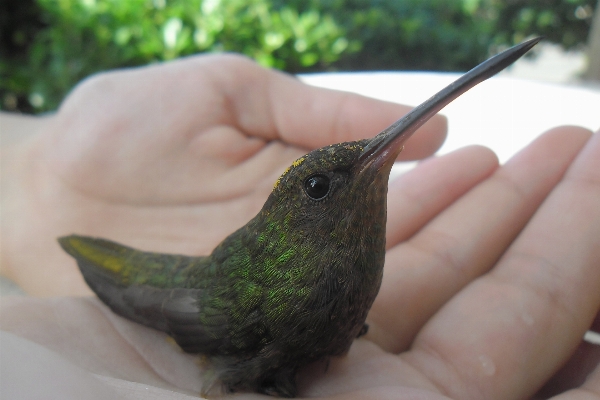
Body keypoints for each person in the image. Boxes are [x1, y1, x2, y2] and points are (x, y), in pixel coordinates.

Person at [1, 53, 599, 399]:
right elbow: (200, 324)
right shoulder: (291, 285)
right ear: (301, 211)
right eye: (320, 188)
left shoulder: (357, 248)